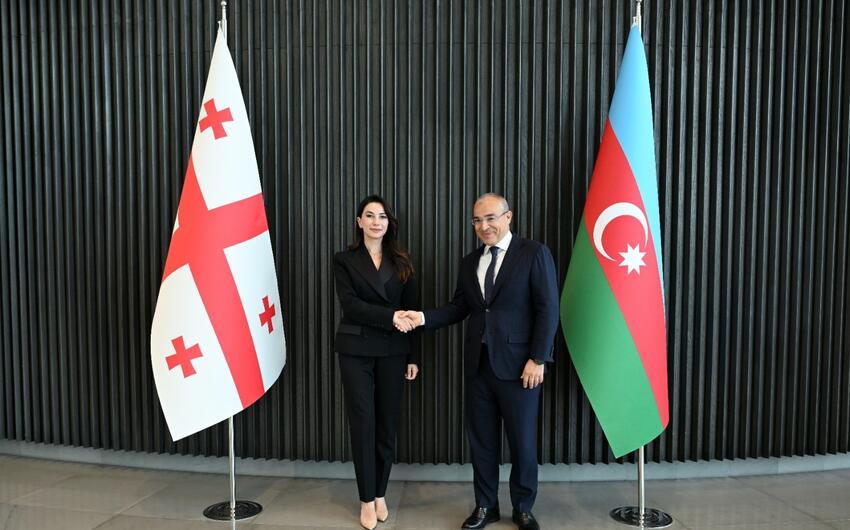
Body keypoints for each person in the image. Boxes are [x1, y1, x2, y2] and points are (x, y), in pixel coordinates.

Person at [399, 193, 559, 530]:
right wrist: (422, 318)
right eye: (477, 220)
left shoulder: (533, 253)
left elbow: (548, 308)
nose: (483, 226)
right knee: (482, 443)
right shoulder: (469, 261)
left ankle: (523, 507)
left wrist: (538, 358)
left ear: (508, 217)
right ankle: (486, 506)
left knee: (523, 443)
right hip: (477, 367)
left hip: (520, 368)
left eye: (490, 218)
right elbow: (459, 307)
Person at [333, 195, 420, 530]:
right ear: (359, 221)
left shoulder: (403, 261)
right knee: (363, 424)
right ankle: (366, 499)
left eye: (382, 216)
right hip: (355, 350)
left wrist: (413, 356)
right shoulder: (344, 260)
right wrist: (390, 316)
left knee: (387, 424)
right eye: (369, 215)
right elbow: (350, 305)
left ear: (389, 222)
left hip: (394, 350)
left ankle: (380, 492)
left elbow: (413, 311)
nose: (376, 222)